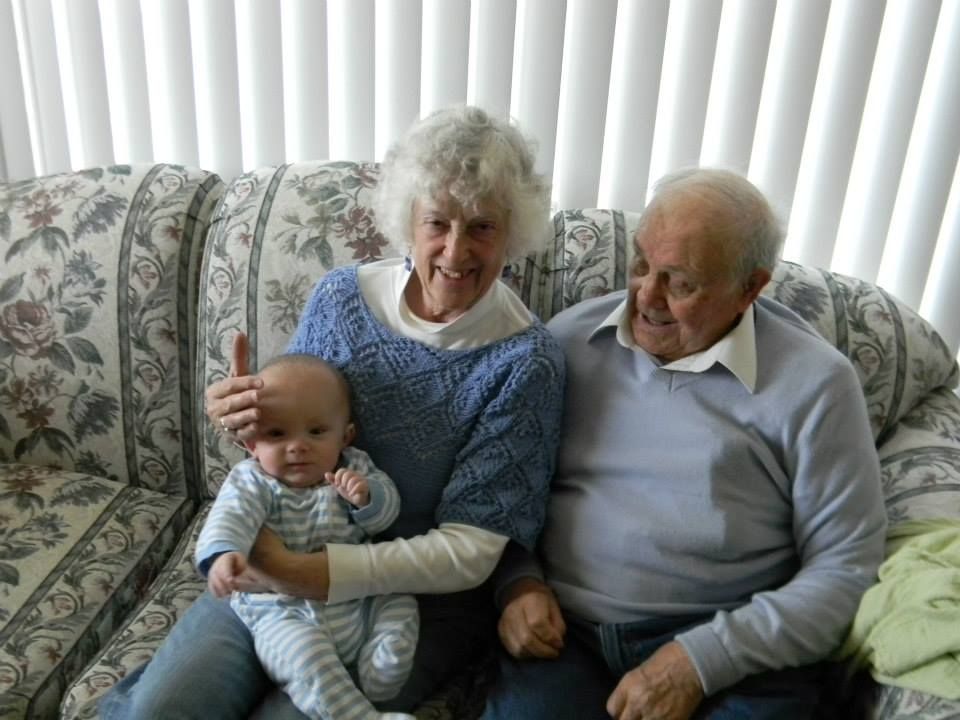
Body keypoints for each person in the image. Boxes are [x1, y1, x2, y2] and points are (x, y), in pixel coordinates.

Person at [99, 104, 565, 720]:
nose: (456, 249)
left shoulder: (526, 362)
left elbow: (470, 551)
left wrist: (306, 573)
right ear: (408, 222)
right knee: (163, 711)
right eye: (437, 222)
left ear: (514, 234)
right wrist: (243, 421)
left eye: (482, 227)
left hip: (406, 604)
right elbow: (290, 437)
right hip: (276, 558)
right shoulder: (342, 298)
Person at [482, 168, 887, 720]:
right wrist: (517, 583)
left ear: (751, 288)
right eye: (642, 265)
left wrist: (700, 661)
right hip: (566, 637)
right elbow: (500, 487)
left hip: (735, 650)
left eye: (681, 282)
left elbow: (846, 567)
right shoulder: (566, 343)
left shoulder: (817, 384)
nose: (645, 297)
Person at [197, 354, 418, 720]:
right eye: (277, 434)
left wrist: (366, 497)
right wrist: (224, 554)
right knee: (307, 659)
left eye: (316, 432)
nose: (298, 446)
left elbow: (386, 516)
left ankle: (380, 665)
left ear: (345, 436)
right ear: (252, 444)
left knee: (401, 600)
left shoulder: (354, 466)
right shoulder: (254, 480)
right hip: (281, 611)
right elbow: (230, 516)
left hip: (357, 599)